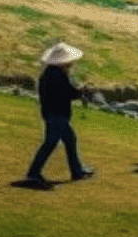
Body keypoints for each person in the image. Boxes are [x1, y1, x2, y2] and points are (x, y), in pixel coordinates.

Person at [24, 41, 94, 186]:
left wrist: (78, 91)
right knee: (51, 143)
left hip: (53, 113)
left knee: (68, 140)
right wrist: (80, 91)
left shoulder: (51, 74)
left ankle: (77, 171)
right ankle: (34, 173)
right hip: (56, 114)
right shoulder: (56, 76)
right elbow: (65, 94)